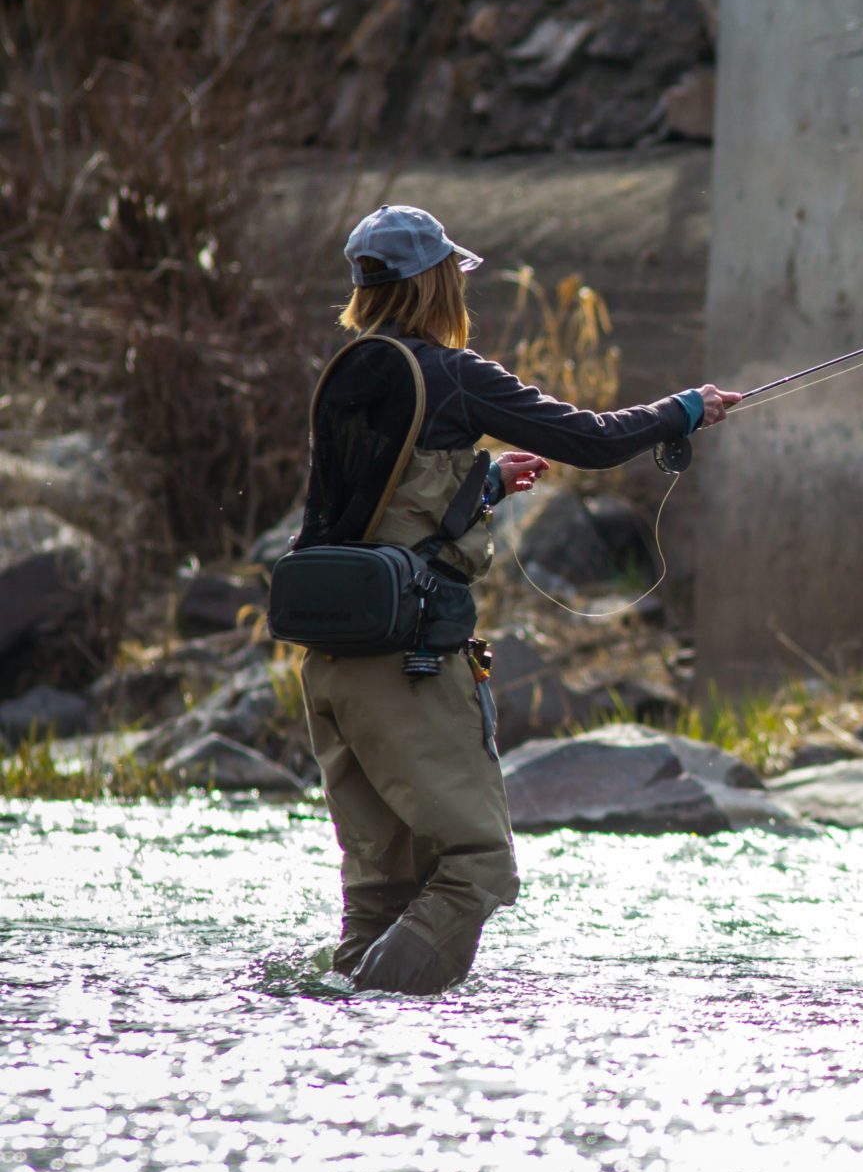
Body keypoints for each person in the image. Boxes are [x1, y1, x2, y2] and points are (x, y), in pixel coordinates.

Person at [295, 204, 742, 995]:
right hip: (411, 663)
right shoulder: (452, 375)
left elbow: (374, 508)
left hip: (330, 665)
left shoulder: (347, 377)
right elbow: (595, 438)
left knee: (380, 893)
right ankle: (361, 1007)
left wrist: (487, 482)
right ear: (436, 283)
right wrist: (685, 408)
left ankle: (342, 1037)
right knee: (475, 869)